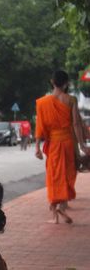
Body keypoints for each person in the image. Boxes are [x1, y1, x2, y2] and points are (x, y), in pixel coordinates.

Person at [35, 70, 89, 224]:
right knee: (68, 173)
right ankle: (62, 205)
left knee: (54, 175)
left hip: (53, 144)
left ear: (52, 82)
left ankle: (55, 212)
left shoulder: (42, 102)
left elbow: (40, 125)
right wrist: (82, 144)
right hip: (68, 143)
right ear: (66, 83)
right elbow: (76, 123)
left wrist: (37, 147)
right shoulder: (71, 100)